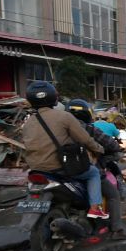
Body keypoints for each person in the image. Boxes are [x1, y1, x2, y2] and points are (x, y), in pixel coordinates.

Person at [21, 81, 108, 219]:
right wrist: (99, 149)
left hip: (36, 169)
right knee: (93, 173)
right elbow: (84, 139)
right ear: (53, 98)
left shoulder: (28, 122)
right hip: (61, 168)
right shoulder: (65, 116)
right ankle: (94, 208)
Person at [68, 99, 126, 238]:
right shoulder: (90, 128)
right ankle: (117, 230)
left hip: (61, 169)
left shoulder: (60, 128)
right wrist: (116, 148)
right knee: (113, 195)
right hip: (83, 168)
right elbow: (110, 143)